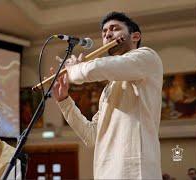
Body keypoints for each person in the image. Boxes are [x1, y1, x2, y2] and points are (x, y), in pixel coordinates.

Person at [52, 12, 163, 179]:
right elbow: (91, 136)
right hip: (106, 173)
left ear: (135, 36)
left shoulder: (147, 57)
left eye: (114, 29)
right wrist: (64, 101)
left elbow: (96, 69)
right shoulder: (109, 90)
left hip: (135, 171)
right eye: (104, 32)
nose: (107, 34)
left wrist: (76, 68)